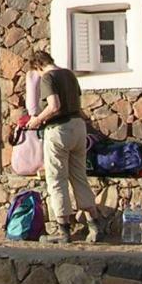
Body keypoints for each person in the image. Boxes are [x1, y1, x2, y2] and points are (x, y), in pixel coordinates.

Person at [25, 49, 105, 243]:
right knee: (79, 177)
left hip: (59, 130)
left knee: (57, 179)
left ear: (38, 66)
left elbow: (54, 106)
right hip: (78, 127)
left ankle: (63, 232)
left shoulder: (48, 77)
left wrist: (37, 120)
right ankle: (94, 226)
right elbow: (77, 103)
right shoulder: (69, 74)